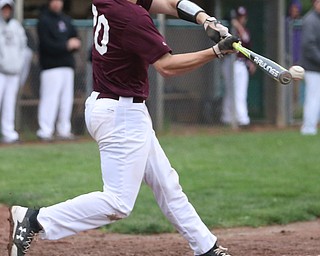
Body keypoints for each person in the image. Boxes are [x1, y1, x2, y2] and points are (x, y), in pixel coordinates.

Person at [8, 1, 239, 256]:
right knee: (118, 202)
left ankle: (205, 247)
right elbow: (167, 66)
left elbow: (172, 4)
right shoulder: (132, 16)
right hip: (121, 114)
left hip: (112, 107)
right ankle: (35, 220)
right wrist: (214, 52)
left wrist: (205, 19)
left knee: (166, 184)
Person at [36, 0, 81, 141]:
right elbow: (46, 44)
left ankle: (64, 130)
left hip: (67, 65)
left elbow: (75, 37)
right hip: (50, 66)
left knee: (66, 100)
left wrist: (74, 44)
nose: (56, 3)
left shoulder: (66, 19)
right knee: (50, 99)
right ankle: (45, 131)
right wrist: (65, 46)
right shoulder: (44, 20)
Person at [221, 6, 256, 128]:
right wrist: (234, 25)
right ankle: (237, 118)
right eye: (239, 17)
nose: (242, 19)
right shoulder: (226, 30)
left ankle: (236, 118)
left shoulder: (243, 30)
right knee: (231, 91)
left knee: (239, 92)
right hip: (231, 63)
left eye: (243, 17)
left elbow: (246, 39)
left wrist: (250, 62)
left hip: (241, 63)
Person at [0, 0, 27, 143]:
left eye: (8, 9)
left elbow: (23, 46)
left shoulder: (16, 26)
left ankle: (8, 133)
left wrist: (19, 64)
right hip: (0, 72)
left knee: (9, 104)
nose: (6, 11)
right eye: (3, 9)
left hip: (14, 72)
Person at [300, 0, 320, 135]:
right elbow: (308, 45)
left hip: (316, 67)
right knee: (313, 98)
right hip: (312, 67)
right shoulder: (310, 20)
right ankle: (308, 128)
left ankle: (311, 127)